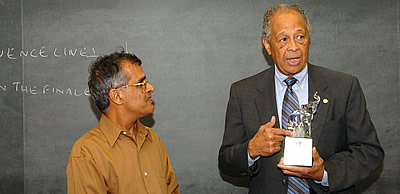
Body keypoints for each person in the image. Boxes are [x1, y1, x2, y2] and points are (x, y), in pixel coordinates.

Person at [218, 4, 384, 193]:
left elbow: (370, 152)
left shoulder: (344, 87)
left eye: (300, 37)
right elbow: (226, 161)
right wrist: (251, 150)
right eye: (283, 39)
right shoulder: (243, 92)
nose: (294, 47)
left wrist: (325, 173)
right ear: (267, 45)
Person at [66, 50, 179, 194]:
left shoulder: (152, 140)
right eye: (141, 84)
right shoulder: (87, 152)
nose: (150, 88)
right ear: (117, 96)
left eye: (147, 82)